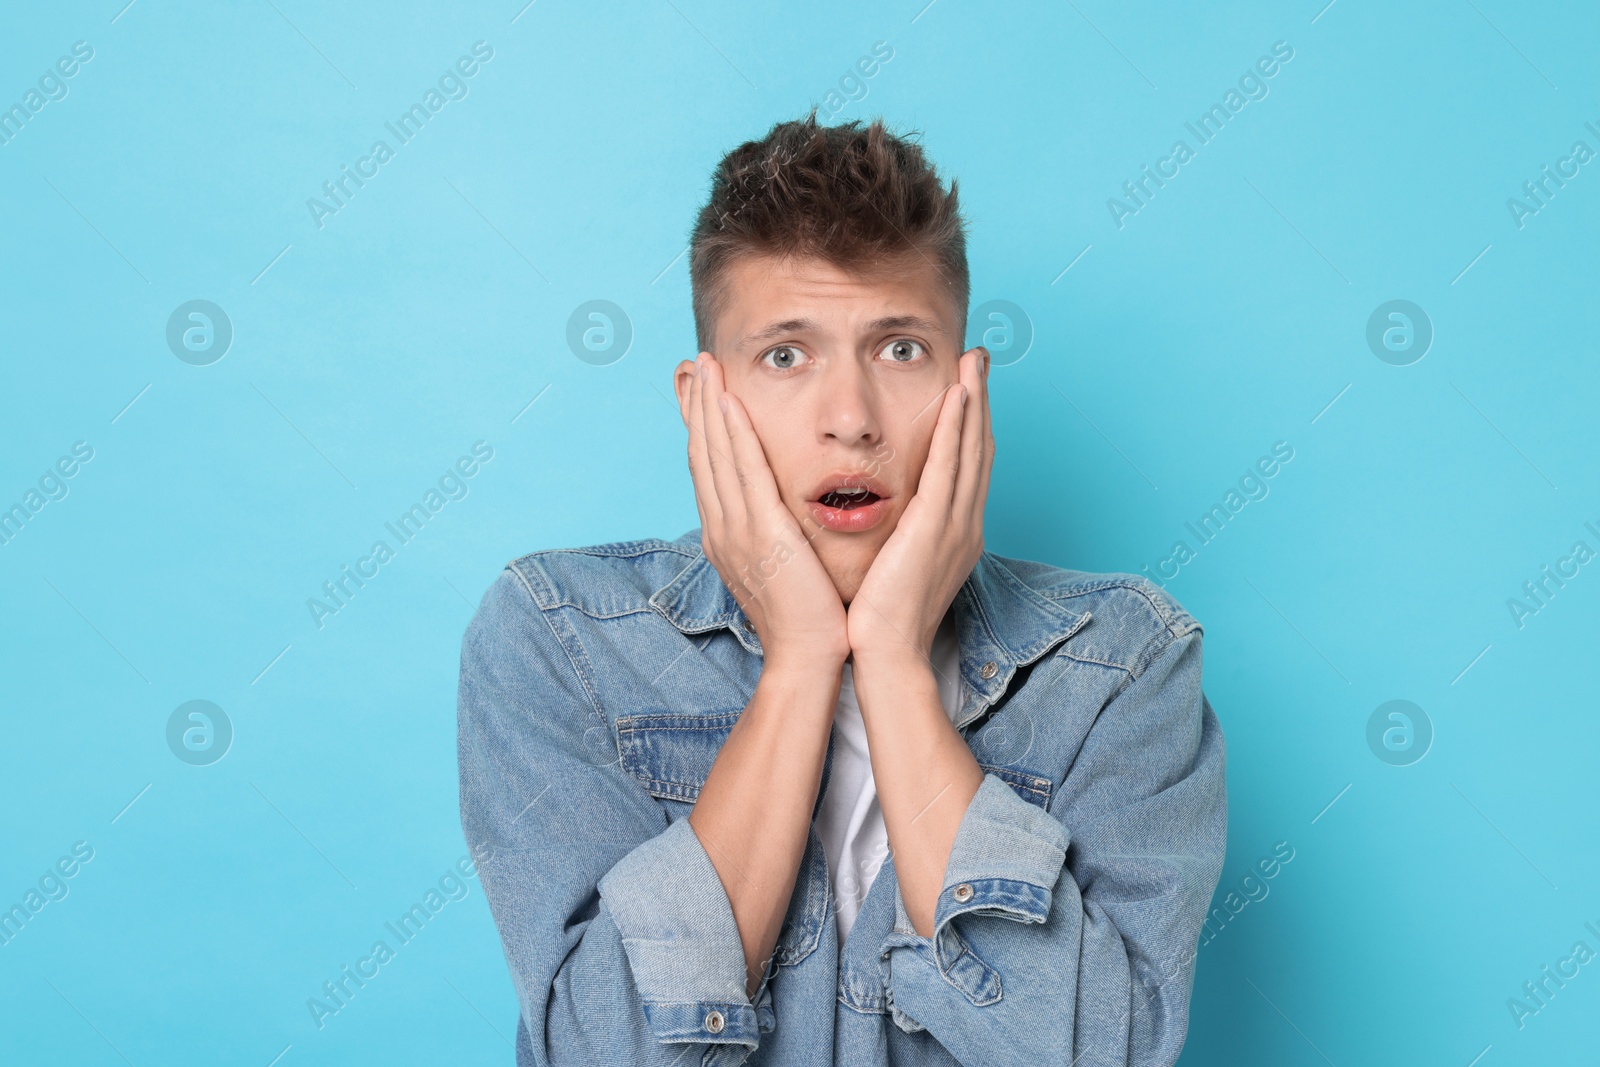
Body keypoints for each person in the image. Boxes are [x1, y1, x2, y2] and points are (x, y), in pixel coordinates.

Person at [457, 112, 1226, 1067]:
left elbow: (1097, 1055)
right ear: (703, 402)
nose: (852, 420)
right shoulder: (558, 637)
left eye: (901, 349)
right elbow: (599, 1052)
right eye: (786, 354)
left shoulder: (1123, 663)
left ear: (967, 388)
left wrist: (897, 666)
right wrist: (801, 661)